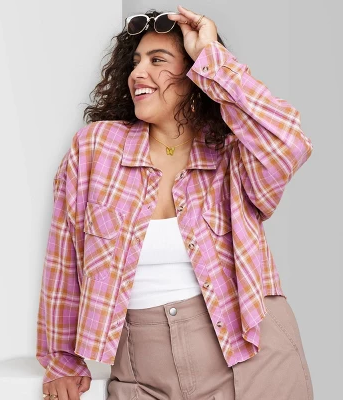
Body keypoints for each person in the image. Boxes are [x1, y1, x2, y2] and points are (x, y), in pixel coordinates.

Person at [36, 5, 314, 400]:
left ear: (193, 76)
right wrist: (63, 359)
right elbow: (63, 260)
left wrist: (211, 58)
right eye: (135, 62)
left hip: (253, 360)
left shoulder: (233, 155)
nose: (138, 73)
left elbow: (290, 143)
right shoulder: (96, 148)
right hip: (142, 373)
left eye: (157, 60)